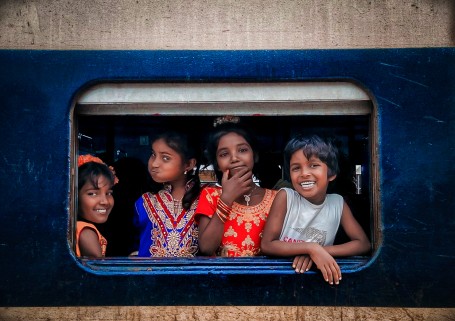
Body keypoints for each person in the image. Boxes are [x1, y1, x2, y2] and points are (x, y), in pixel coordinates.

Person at [261, 134, 370, 285]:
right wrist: (310, 248)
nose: (304, 173)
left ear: (331, 173)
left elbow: (363, 243)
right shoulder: (286, 197)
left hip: (318, 281)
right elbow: (267, 244)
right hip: (280, 278)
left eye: (313, 165)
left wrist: (319, 252)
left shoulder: (337, 203)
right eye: (296, 168)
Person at [196, 116, 278, 257]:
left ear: (255, 155)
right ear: (217, 163)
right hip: (223, 277)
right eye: (224, 154)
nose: (234, 158)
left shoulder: (277, 198)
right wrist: (226, 199)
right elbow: (206, 248)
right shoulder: (210, 196)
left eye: (242, 150)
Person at [134, 130, 201, 257]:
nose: (154, 164)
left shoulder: (205, 199)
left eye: (165, 158)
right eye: (153, 154)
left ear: (188, 164)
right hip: (150, 275)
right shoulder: (144, 202)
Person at [76, 155, 116, 258]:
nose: (105, 201)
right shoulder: (86, 232)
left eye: (108, 193)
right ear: (74, 196)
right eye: (92, 194)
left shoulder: (77, 227)